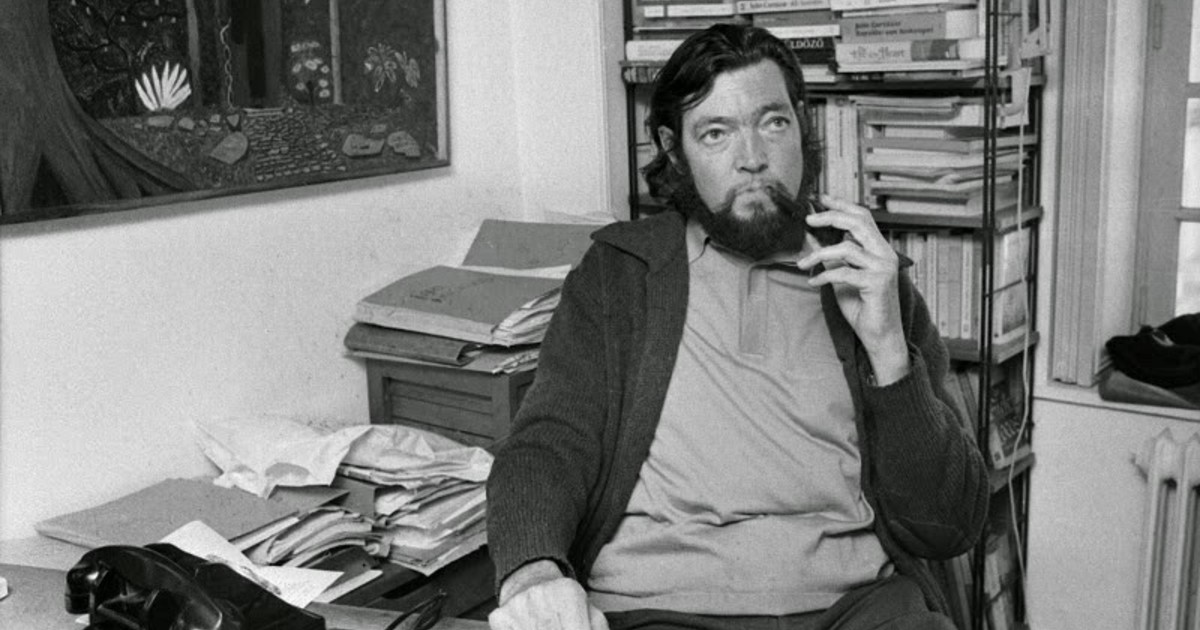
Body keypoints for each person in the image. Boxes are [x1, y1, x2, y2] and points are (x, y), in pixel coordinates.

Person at [486, 22, 988, 630]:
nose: (752, 158)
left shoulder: (869, 275)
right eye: (716, 133)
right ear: (675, 151)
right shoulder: (620, 275)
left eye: (772, 122)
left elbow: (948, 526)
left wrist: (888, 352)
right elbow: (548, 443)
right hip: (662, 608)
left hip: (856, 606)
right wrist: (533, 571)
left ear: (802, 125)